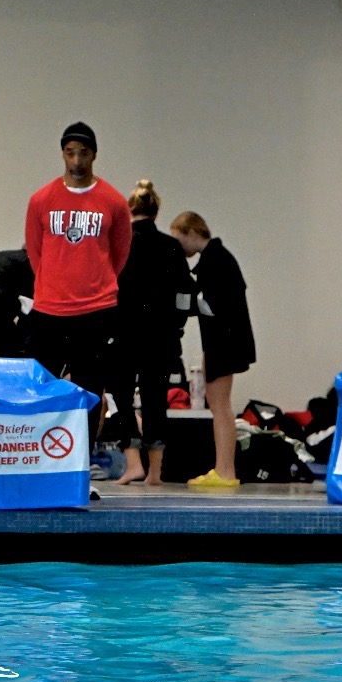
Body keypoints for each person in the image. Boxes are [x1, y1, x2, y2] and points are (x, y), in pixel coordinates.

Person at [23, 122, 133, 455]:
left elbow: (120, 254)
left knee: (90, 390)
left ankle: (80, 462)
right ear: (62, 154)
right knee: (38, 386)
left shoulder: (113, 201)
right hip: (50, 309)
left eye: (83, 153)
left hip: (95, 310)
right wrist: (54, 284)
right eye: (70, 153)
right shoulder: (41, 199)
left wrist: (95, 283)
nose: (76, 160)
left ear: (94, 155)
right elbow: (35, 251)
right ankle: (35, 456)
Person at [113, 180, 194, 485]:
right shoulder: (171, 246)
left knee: (120, 396)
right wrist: (178, 327)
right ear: (156, 213)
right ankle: (156, 472)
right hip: (160, 336)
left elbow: (106, 288)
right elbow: (185, 294)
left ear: (128, 210)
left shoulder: (119, 243)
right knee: (155, 400)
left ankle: (132, 463)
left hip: (123, 334)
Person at [171, 211, 256, 489]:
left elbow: (210, 304)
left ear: (192, 232)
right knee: (219, 405)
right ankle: (222, 468)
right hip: (222, 341)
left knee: (220, 406)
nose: (178, 247)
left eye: (179, 238)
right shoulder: (217, 258)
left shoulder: (214, 261)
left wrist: (181, 300)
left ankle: (226, 471)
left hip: (224, 342)